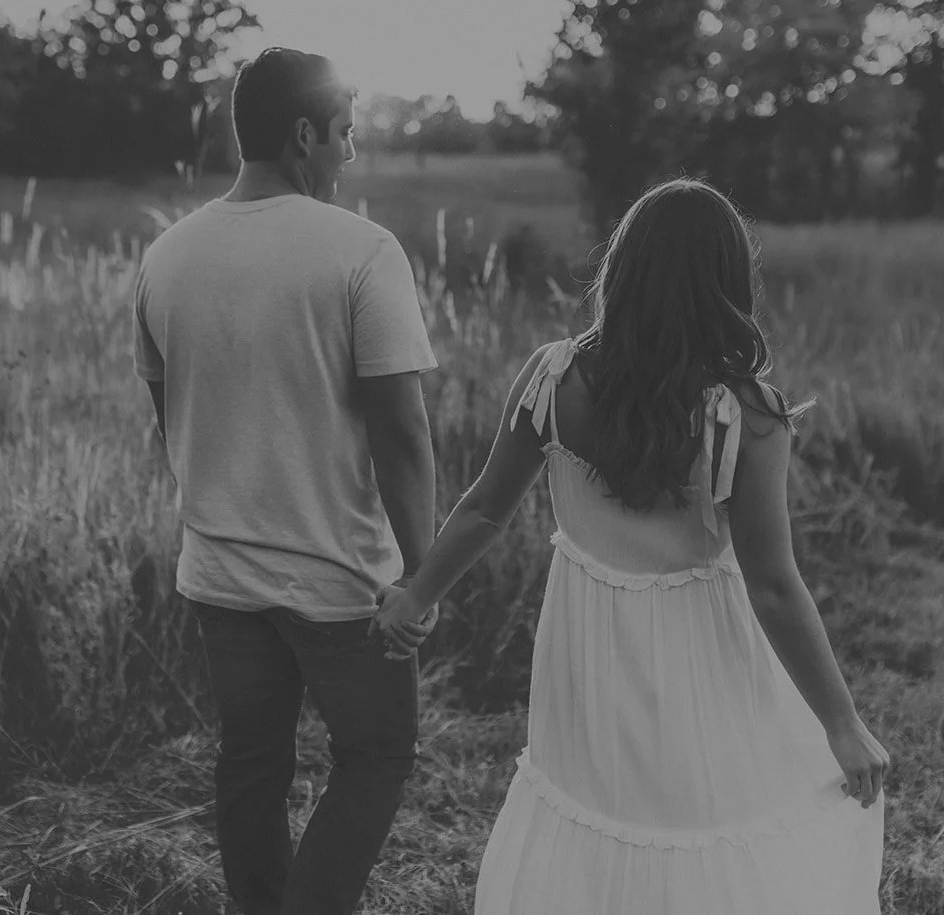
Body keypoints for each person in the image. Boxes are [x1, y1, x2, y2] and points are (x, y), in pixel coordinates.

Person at [374, 178, 889, 913]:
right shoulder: (744, 410)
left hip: (585, 642)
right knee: (700, 818)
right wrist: (842, 723)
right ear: (726, 280)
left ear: (623, 267)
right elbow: (773, 584)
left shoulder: (554, 374)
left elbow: (486, 506)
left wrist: (416, 594)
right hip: (701, 649)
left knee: (603, 815)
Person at [133, 46, 440, 915]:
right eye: (344, 132)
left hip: (221, 574)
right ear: (303, 133)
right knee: (378, 753)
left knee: (252, 763)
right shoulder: (362, 250)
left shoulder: (166, 255)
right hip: (338, 578)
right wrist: (423, 573)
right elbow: (402, 432)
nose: (351, 151)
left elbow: (174, 422)